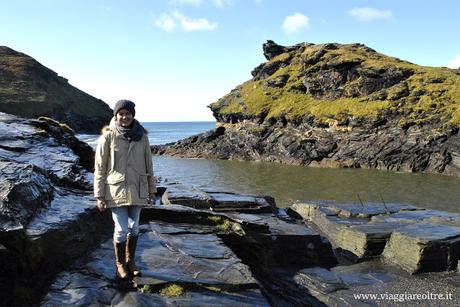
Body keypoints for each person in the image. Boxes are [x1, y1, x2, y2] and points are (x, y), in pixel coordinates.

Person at [94, 99, 156, 280]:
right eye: (120, 114)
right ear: (116, 116)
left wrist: (152, 190)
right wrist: (99, 195)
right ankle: (120, 264)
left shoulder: (142, 136)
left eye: (127, 113)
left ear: (132, 115)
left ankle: (131, 262)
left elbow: (148, 165)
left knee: (134, 228)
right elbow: (99, 168)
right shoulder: (107, 137)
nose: (124, 117)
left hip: (138, 188)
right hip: (115, 189)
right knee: (121, 229)